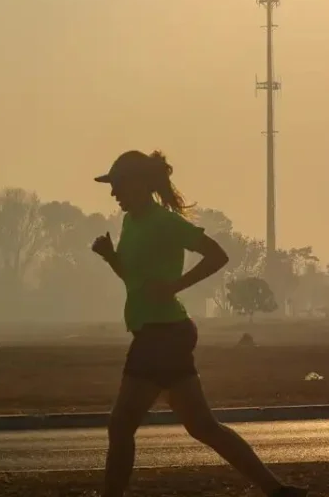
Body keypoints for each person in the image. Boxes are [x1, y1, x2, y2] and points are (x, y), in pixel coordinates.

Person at [91, 150, 308, 497]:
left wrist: (176, 286)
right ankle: (277, 491)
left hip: (162, 336)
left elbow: (218, 255)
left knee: (120, 425)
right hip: (162, 332)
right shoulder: (130, 222)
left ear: (139, 184)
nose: (113, 193)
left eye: (117, 185)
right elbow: (134, 280)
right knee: (203, 426)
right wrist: (111, 257)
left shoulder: (166, 222)